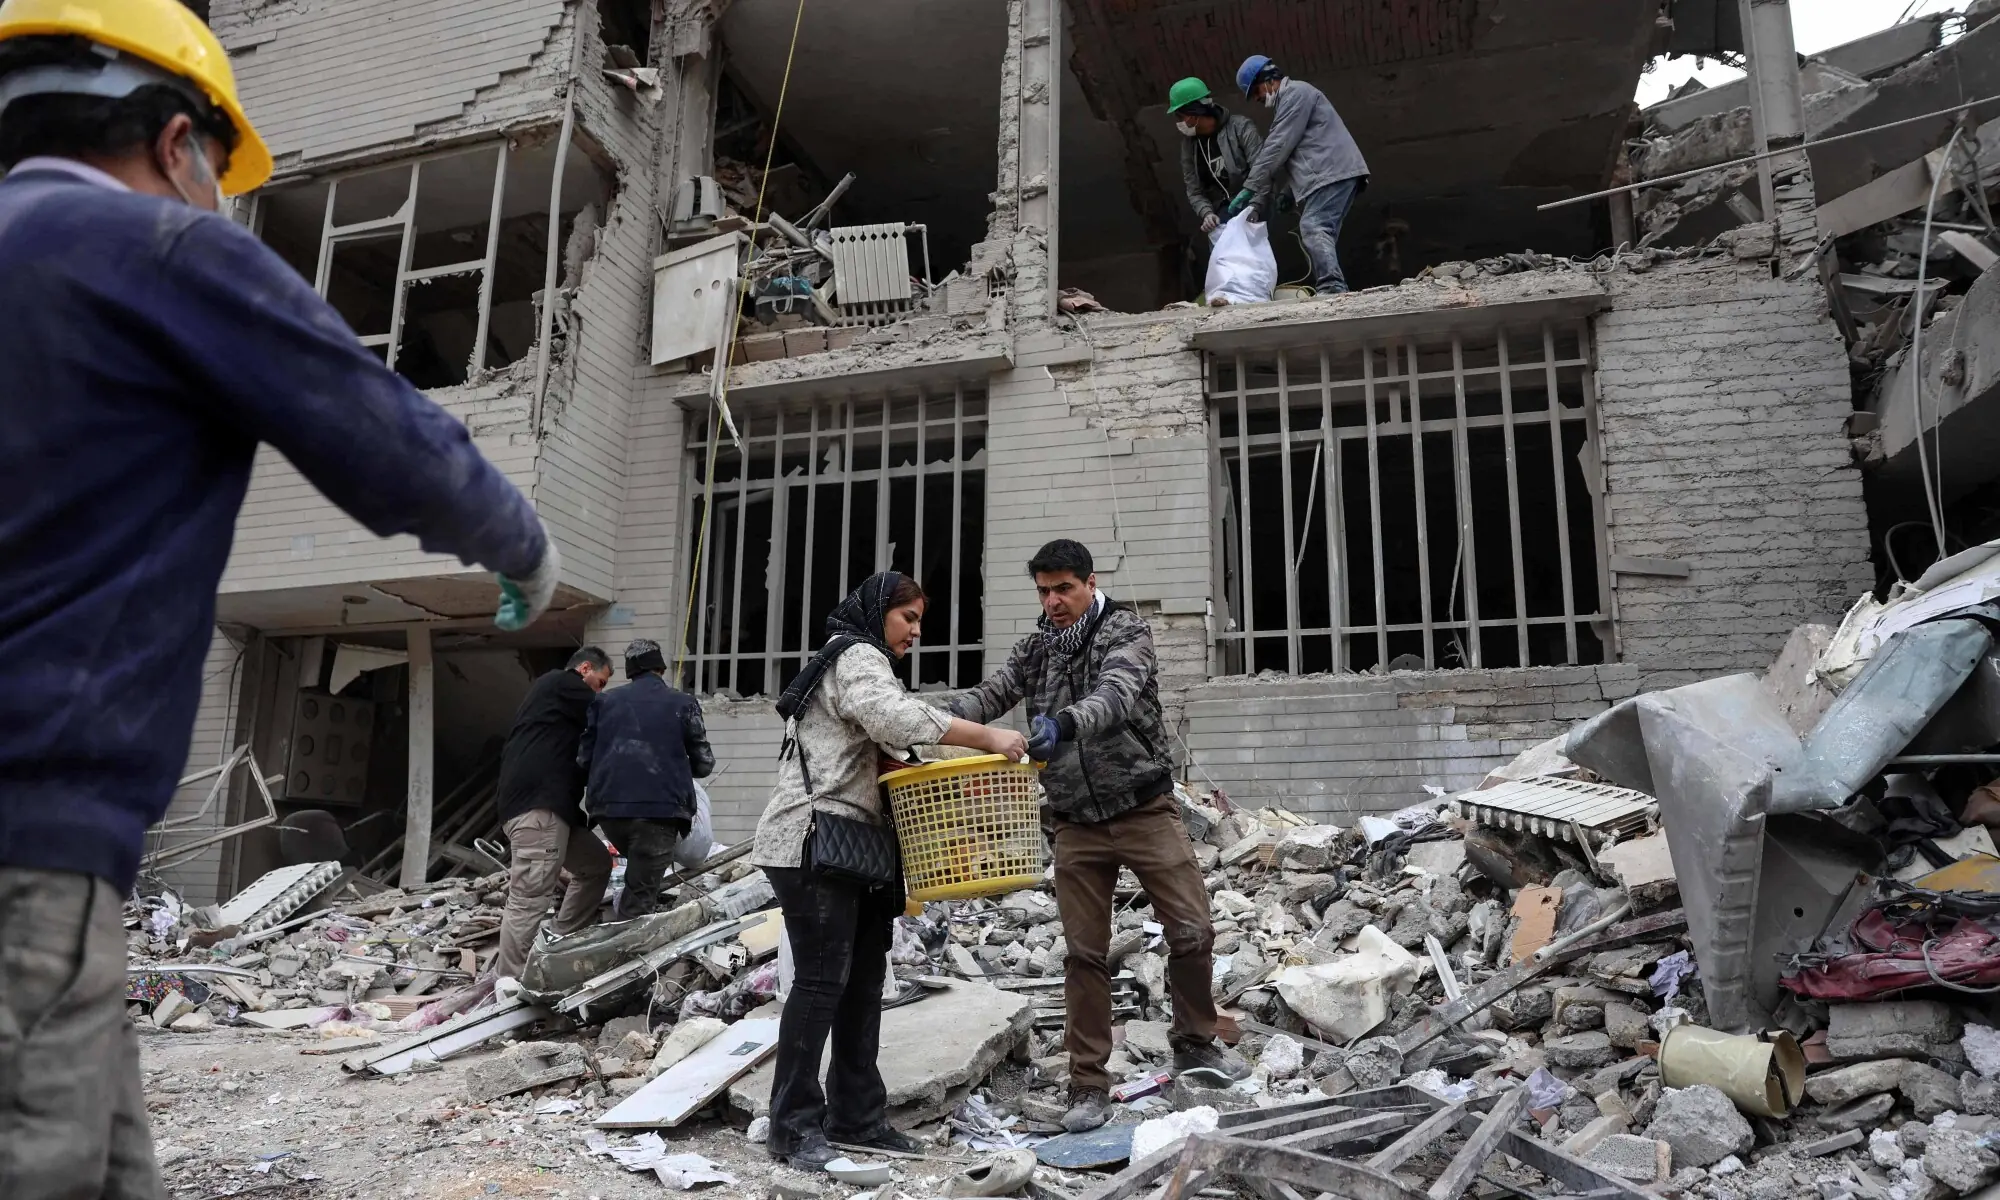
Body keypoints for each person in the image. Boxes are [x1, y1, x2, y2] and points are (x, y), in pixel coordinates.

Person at [0, 3, 559, 1195]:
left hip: (63, 868)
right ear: (176, 144)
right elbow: (384, 434)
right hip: (28, 838)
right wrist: (524, 548)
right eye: (219, 174)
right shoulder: (155, 248)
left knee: (106, 1165)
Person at [949, 540, 1247, 1134]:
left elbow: (1113, 696)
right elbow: (990, 695)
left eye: (1064, 588)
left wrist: (1062, 724)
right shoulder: (1036, 648)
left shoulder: (1126, 632)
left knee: (1192, 930)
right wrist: (927, 721)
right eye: (1043, 591)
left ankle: (1194, 1038)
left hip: (1143, 809)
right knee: (1085, 956)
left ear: (1090, 581)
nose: (1053, 601)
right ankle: (1088, 1082)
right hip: (1074, 822)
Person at [751, 572, 1029, 1170]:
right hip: (813, 837)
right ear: (879, 615)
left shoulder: (860, 662)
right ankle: (793, 1127)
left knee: (861, 982)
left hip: (857, 848)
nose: (916, 632)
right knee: (824, 980)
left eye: (919, 622)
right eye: (908, 618)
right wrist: (987, 737)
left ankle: (856, 1117)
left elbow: (889, 738)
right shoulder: (856, 655)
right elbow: (895, 718)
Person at [492, 647, 617, 979]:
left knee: (595, 864)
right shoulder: (563, 682)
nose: (599, 690)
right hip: (539, 811)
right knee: (529, 899)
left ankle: (558, 943)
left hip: (553, 811)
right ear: (585, 668)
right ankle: (511, 989)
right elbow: (610, 710)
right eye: (600, 681)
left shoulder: (554, 703)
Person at [578, 638, 716, 920]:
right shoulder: (683, 703)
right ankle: (628, 957)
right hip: (658, 812)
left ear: (629, 672)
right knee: (641, 897)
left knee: (637, 874)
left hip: (609, 810)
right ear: (661, 669)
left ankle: (612, 930)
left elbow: (583, 760)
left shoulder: (603, 702)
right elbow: (704, 764)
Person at [1225, 54, 1370, 294]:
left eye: (1256, 91)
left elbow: (1279, 145)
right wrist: (1288, 193)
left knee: (1314, 226)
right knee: (1322, 231)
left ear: (1269, 78)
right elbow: (1302, 151)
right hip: (1330, 171)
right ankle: (1332, 285)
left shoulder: (1296, 94)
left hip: (1332, 172)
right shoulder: (1291, 101)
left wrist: (1250, 187)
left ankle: (1332, 288)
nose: (1258, 99)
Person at [1168, 75, 1263, 235]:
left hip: (1253, 202)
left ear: (1193, 116)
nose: (1180, 123)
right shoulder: (1189, 145)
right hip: (1222, 213)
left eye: (1180, 116)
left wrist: (1255, 206)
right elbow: (1194, 191)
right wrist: (1207, 213)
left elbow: (1262, 172)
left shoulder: (1240, 127)